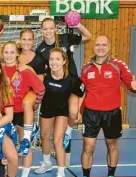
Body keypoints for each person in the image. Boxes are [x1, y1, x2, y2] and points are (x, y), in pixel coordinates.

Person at [78, 36, 136, 177]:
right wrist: (77, 112)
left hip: (112, 114)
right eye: (97, 44)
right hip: (90, 114)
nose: (100, 47)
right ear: (93, 47)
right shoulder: (86, 68)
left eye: (104, 45)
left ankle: (111, 176)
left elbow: (131, 82)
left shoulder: (118, 65)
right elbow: (80, 92)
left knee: (112, 145)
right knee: (88, 146)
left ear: (109, 47)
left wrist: (135, 86)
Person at [35, 17, 92, 166]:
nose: (48, 31)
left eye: (50, 28)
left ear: (55, 29)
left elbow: (88, 37)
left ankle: (68, 132)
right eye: (45, 29)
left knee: (73, 113)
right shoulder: (40, 50)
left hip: (71, 83)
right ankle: (47, 160)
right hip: (54, 86)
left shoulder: (65, 38)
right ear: (41, 30)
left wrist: (77, 24)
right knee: (47, 131)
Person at [35, 48, 84, 177]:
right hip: (47, 110)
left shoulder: (72, 79)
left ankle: (61, 174)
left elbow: (82, 92)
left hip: (62, 112)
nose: (54, 62)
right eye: (51, 59)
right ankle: (46, 162)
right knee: (44, 135)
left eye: (57, 59)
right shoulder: (44, 76)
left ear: (64, 61)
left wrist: (77, 110)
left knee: (58, 141)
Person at [0, 40, 45, 177]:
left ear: (18, 54)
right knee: (7, 148)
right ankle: (8, 175)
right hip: (5, 114)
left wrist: (34, 105)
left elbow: (40, 89)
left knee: (25, 146)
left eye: (12, 52)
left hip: (21, 114)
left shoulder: (25, 70)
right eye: (6, 52)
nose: (9, 55)